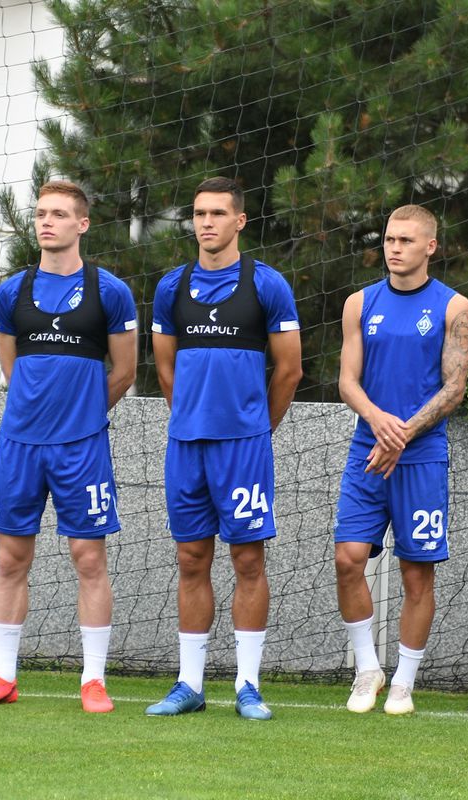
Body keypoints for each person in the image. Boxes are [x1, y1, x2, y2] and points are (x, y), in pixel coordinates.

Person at [0, 181, 137, 713]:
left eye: (59, 214)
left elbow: (124, 372)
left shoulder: (110, 291)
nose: (46, 222)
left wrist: (79, 416)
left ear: (82, 224)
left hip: (81, 447)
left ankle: (93, 680)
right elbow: (12, 368)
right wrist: (35, 413)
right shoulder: (13, 291)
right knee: (11, 558)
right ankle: (3, 676)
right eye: (41, 214)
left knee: (88, 558)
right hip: (20, 445)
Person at [145, 177, 302, 720]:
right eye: (198, 213)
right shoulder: (172, 287)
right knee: (191, 558)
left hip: (244, 448)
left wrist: (258, 427)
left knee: (248, 559)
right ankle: (189, 683)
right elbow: (165, 369)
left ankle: (247, 685)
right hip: (186, 445)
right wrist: (190, 417)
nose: (205, 222)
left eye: (217, 213)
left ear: (239, 221)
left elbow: (290, 369)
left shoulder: (267, 285)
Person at [333, 205, 468, 715]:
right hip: (367, 450)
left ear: (430, 246)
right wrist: (380, 423)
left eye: (406, 241)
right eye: (390, 239)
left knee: (417, 573)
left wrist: (405, 433)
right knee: (348, 559)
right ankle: (367, 669)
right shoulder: (359, 303)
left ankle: (404, 683)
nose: (395, 248)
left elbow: (454, 388)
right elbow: (348, 380)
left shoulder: (454, 306)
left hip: (422, 455)